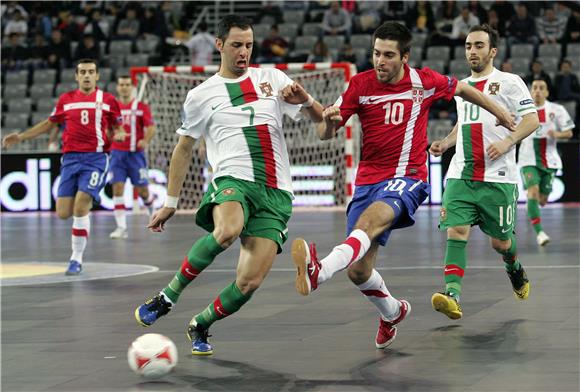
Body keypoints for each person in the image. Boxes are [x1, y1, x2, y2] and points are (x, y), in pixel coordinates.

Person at [291, 21, 516, 349]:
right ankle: (393, 312)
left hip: (407, 177)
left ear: (404, 57)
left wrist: (500, 112)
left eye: (388, 55)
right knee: (358, 270)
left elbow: (464, 89)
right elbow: (326, 133)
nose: (379, 61)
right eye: (375, 53)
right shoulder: (360, 84)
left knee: (368, 224)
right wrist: (328, 120)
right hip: (368, 179)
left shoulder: (423, 81)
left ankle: (319, 272)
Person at [134, 15, 325, 355]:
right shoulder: (201, 95)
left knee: (249, 282)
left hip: (277, 192)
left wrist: (306, 101)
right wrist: (171, 201)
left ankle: (201, 323)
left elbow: (321, 121)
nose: (244, 52)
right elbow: (184, 148)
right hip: (233, 179)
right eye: (237, 45)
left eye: (249, 45)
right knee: (227, 231)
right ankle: (167, 296)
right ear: (220, 45)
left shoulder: (272, 78)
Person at [429, 24, 540, 320]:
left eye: (478, 45)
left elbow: (532, 120)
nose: (472, 51)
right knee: (457, 230)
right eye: (468, 46)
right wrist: (446, 142)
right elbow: (463, 123)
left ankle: (514, 268)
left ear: (492, 51)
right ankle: (452, 294)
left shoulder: (509, 82)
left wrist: (507, 141)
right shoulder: (461, 87)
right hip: (461, 174)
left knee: (501, 243)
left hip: (497, 178)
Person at [2, 58, 124, 275]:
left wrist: (120, 133)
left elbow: (117, 126)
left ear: (97, 76)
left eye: (91, 72)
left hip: (96, 158)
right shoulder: (66, 100)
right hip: (70, 159)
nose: (87, 75)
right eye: (83, 72)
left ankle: (76, 259)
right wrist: (20, 137)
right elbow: (49, 124)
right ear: (76, 76)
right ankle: (81, 229)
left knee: (80, 206)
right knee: (63, 213)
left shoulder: (108, 100)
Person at [518, 78, 574, 246]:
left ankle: (533, 205)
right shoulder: (521, 109)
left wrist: (557, 134)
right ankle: (540, 232)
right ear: (530, 91)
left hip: (550, 160)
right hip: (528, 159)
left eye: (541, 88)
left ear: (547, 92)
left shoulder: (557, 110)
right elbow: (509, 125)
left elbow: (569, 132)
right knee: (532, 192)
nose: (537, 91)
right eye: (534, 88)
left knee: (541, 199)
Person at [109, 75, 157, 239]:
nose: (124, 87)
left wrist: (145, 140)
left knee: (143, 192)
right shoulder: (111, 108)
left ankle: (153, 212)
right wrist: (112, 137)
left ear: (132, 87)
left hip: (136, 156)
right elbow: (107, 129)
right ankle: (121, 227)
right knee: (117, 189)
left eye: (127, 84)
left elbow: (151, 127)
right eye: (121, 84)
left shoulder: (141, 107)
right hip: (117, 155)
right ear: (117, 87)